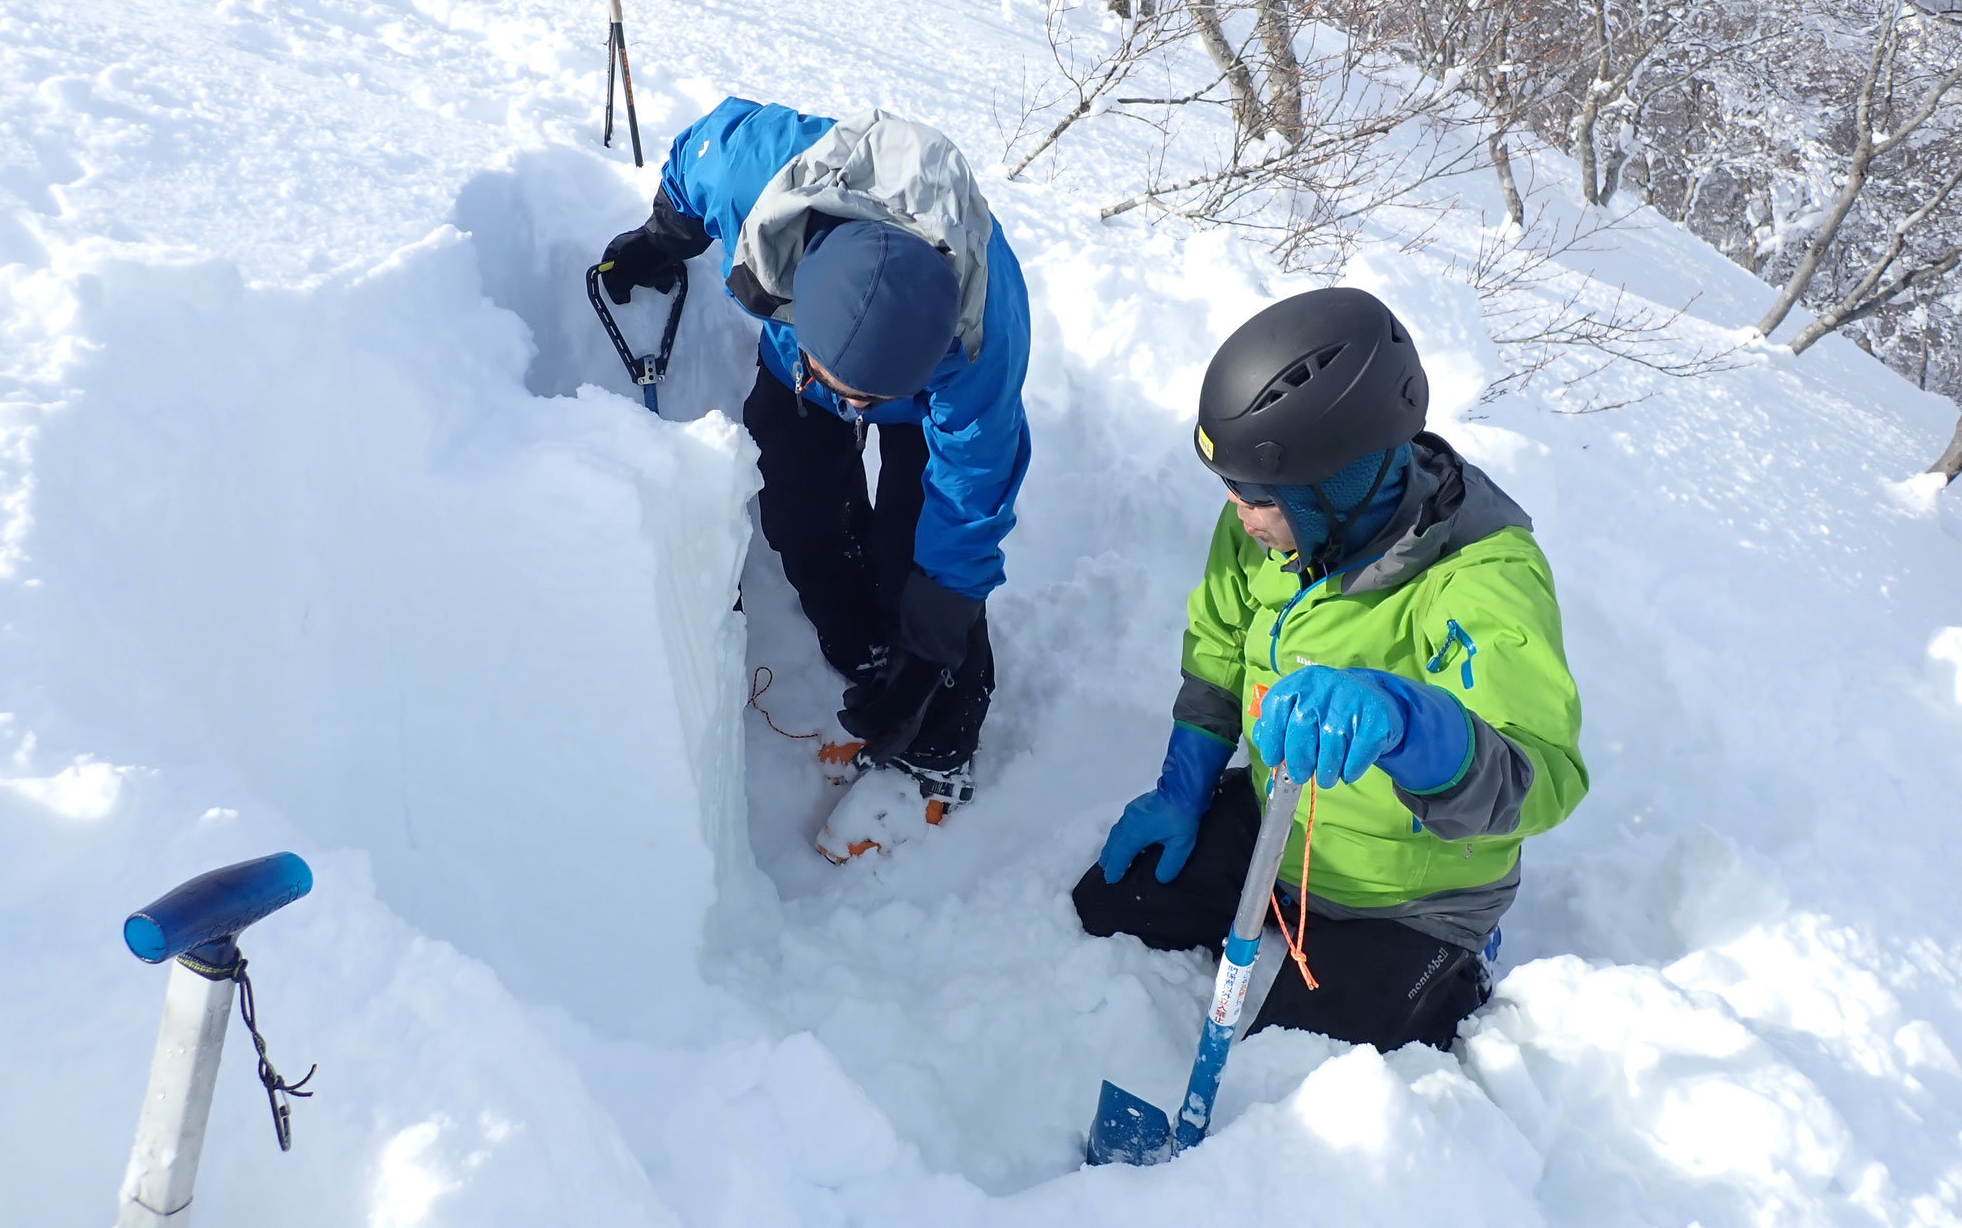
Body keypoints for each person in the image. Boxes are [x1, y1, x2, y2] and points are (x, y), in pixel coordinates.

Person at [1072, 287, 1587, 1052]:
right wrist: (1184, 788)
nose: (1239, 513)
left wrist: (1409, 724)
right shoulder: (1271, 527)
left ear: (1340, 484)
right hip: (1278, 822)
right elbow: (1217, 643)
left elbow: (1537, 775)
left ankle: (1455, 973)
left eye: (1257, 496)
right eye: (1231, 490)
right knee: (1110, 902)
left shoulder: (1483, 576)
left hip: (1408, 893)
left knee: (1298, 1075)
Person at [595, 98, 1031, 861]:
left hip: (927, 402)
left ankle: (938, 739)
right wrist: (661, 240)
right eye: (851, 391)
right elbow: (700, 154)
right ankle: (862, 651)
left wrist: (926, 659)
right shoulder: (755, 178)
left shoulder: (981, 337)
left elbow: (967, 509)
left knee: (918, 563)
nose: (858, 411)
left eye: (870, 399)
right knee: (797, 513)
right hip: (797, 366)